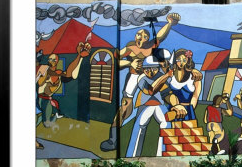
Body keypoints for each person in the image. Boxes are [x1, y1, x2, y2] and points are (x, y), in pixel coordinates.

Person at [100, 13, 181, 151]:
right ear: (135, 37)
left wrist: (169, 23)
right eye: (139, 34)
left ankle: (175, 123)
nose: (141, 37)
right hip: (134, 76)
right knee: (125, 106)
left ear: (148, 38)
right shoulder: (130, 48)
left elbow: (161, 35)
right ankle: (113, 140)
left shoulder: (151, 47)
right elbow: (116, 61)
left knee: (166, 93)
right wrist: (129, 64)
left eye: (144, 35)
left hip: (151, 76)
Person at [125, 55, 186, 157]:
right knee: (139, 127)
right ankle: (132, 156)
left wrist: (177, 105)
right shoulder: (142, 78)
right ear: (143, 69)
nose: (150, 71)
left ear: (157, 68)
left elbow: (167, 95)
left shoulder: (161, 77)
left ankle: (162, 155)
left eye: (153, 68)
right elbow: (151, 90)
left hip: (159, 105)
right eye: (147, 69)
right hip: (145, 106)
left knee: (166, 126)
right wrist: (166, 76)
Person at [36, 42, 91, 148]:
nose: (51, 61)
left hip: (46, 100)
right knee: (38, 117)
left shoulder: (57, 72)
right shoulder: (44, 69)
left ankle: (55, 116)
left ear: (57, 61)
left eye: (54, 59)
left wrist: (79, 56)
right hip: (38, 99)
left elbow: (70, 72)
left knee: (47, 123)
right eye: (50, 59)